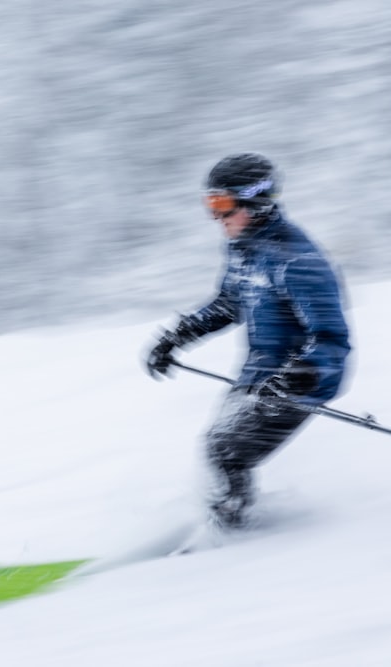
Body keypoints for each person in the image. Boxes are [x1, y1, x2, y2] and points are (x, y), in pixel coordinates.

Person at [145, 153, 351, 529]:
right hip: (258, 375)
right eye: (210, 204)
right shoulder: (245, 249)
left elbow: (332, 339)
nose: (216, 217)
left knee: (224, 451)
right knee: (215, 448)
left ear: (255, 201)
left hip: (297, 383)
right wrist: (177, 336)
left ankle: (231, 535)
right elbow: (228, 303)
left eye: (222, 204)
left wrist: (300, 374)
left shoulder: (298, 261)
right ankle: (225, 521)